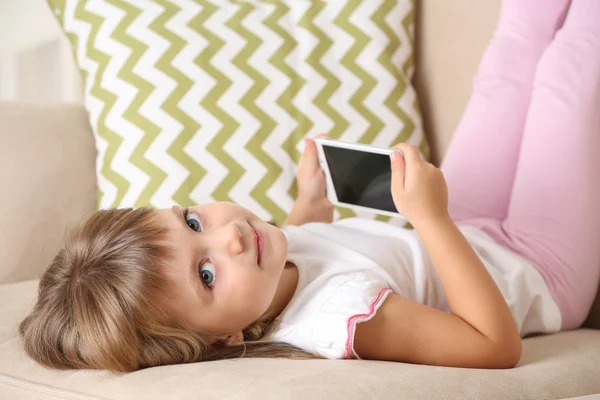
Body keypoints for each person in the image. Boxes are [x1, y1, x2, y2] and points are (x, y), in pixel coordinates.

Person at [19, 0, 600, 373]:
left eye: (193, 221)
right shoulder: (346, 318)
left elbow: (308, 250)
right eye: (206, 274)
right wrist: (430, 220)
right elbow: (494, 347)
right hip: (539, 272)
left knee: (507, 64)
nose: (232, 239)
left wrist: (309, 207)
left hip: (472, 231)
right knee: (565, 73)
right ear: (225, 341)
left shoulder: (268, 265)